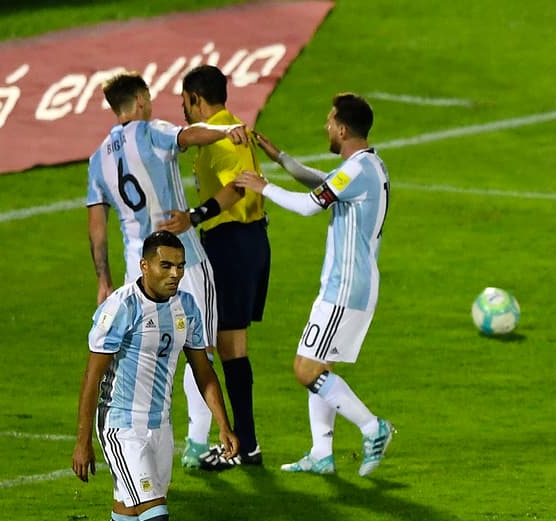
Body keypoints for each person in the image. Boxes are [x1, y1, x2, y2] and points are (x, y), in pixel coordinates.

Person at [73, 231, 239, 521]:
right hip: (120, 427)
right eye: (166, 265)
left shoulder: (186, 307)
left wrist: (224, 423)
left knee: (126, 517)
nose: (175, 274)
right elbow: (92, 378)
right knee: (156, 517)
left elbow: (203, 370)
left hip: (160, 429)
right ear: (144, 265)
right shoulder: (121, 308)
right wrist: (83, 442)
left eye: (180, 266)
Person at [84, 70, 248, 471]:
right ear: (140, 101)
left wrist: (104, 279)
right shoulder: (150, 130)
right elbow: (188, 136)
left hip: (135, 272)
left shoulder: (98, 158)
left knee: (137, 355)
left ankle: (132, 438)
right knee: (198, 350)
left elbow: (97, 224)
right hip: (182, 261)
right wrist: (226, 133)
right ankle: (196, 442)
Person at [236, 92, 394, 477]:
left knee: (306, 369)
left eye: (329, 121)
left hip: (345, 287)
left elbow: (311, 203)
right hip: (350, 285)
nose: (325, 126)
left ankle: (374, 427)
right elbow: (323, 182)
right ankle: (321, 453)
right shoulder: (369, 166)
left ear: (342, 128)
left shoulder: (356, 171)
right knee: (321, 366)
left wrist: (264, 187)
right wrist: (281, 159)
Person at [156, 64, 270, 470]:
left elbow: (237, 184)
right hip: (250, 240)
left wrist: (195, 214)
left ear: (195, 99)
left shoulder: (223, 139)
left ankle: (242, 445)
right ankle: (247, 445)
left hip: (231, 243)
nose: (183, 110)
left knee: (225, 347)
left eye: (184, 102)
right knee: (230, 347)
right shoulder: (231, 129)